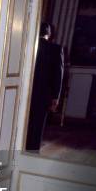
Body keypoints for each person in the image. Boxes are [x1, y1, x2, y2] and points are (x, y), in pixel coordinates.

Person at [26, 22, 64, 151]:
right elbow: (59, 75)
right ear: (49, 34)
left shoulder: (28, 46)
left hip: (25, 91)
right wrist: (56, 97)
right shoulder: (56, 49)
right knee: (37, 125)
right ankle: (32, 151)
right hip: (43, 94)